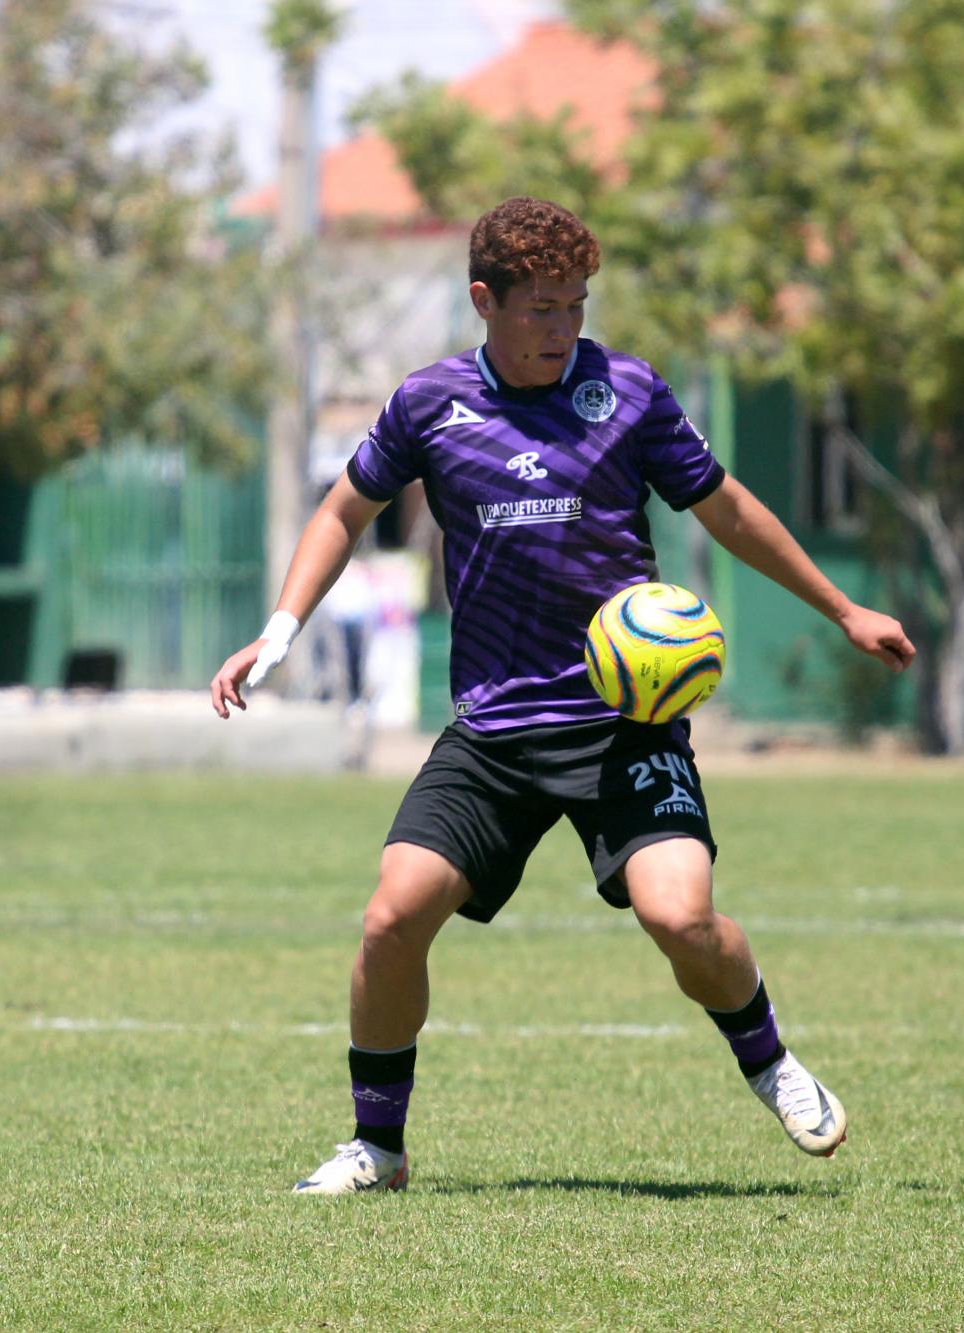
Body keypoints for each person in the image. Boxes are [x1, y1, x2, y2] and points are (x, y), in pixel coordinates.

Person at [211, 197, 916, 1191]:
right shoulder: (428, 405)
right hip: (494, 731)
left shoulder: (626, 392)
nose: (562, 328)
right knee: (389, 916)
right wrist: (278, 631)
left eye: (575, 305)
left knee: (681, 921)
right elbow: (343, 509)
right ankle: (378, 1143)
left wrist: (841, 609)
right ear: (483, 301)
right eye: (540, 308)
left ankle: (770, 1061)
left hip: (625, 724)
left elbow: (726, 509)